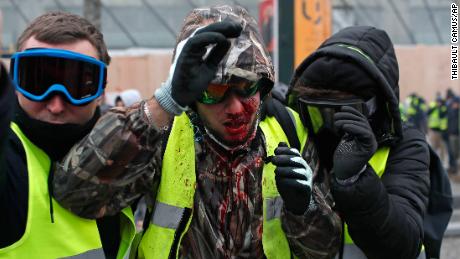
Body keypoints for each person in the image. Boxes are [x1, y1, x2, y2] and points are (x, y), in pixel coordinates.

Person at [52, 5, 342, 258]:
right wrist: (163, 104)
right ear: (190, 94)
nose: (235, 108)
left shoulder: (289, 130)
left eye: (246, 88)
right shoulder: (160, 132)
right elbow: (77, 195)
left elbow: (325, 251)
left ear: (263, 84)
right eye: (214, 92)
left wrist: (305, 210)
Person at [0, 12, 136, 259]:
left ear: (100, 90)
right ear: (15, 79)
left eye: (77, 86)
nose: (56, 106)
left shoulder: (127, 152)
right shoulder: (7, 157)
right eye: (37, 82)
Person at [287, 26, 430, 258]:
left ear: (375, 109)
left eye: (342, 114)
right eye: (316, 113)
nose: (326, 129)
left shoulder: (406, 145)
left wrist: (355, 180)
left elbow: (403, 245)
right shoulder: (298, 132)